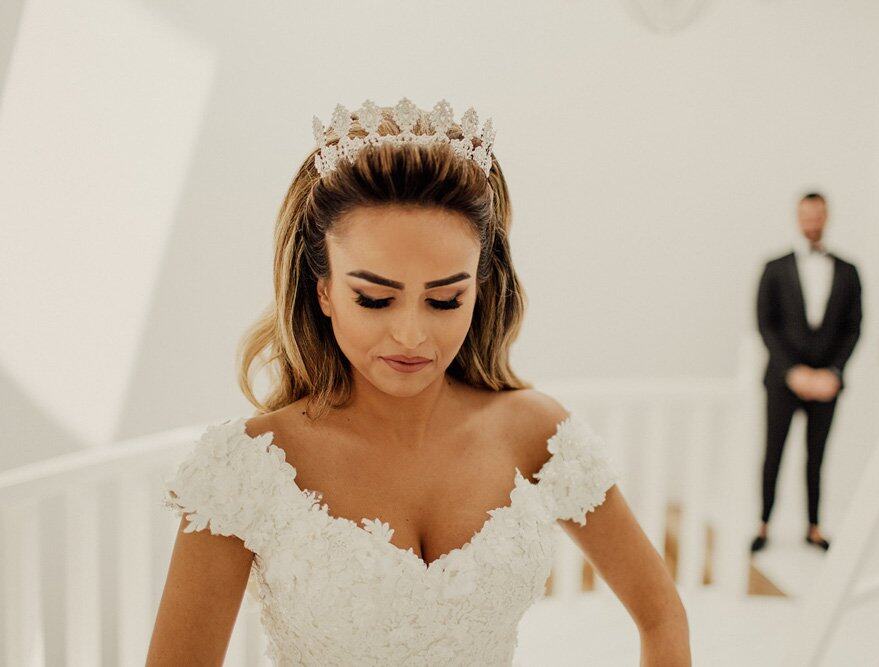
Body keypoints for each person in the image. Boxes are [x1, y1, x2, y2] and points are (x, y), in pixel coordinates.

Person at [146, 98, 690, 666]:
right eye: (375, 298)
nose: (411, 335)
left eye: (444, 299)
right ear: (324, 289)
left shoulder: (536, 433)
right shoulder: (246, 467)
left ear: (479, 290)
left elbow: (661, 616)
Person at [751, 192, 862, 554]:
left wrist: (833, 372)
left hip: (826, 383)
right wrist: (792, 371)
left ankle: (813, 526)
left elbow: (853, 327)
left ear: (827, 217)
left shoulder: (848, 271)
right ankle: (763, 523)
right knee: (774, 452)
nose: (812, 221)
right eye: (806, 215)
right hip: (784, 380)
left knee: (817, 456)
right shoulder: (775, 267)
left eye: (818, 215)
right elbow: (766, 325)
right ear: (797, 217)